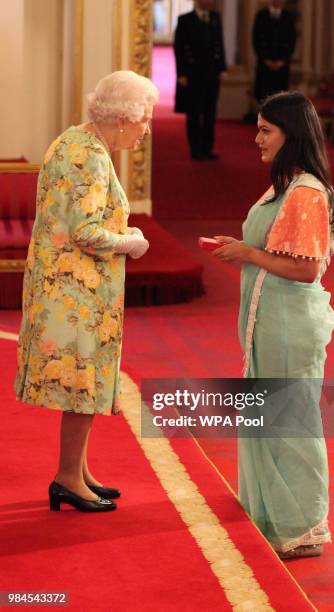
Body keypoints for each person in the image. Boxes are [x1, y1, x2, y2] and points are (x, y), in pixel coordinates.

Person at [14, 70, 159, 513]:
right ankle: (67, 478)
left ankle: (77, 470)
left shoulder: (76, 140)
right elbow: (86, 233)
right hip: (75, 295)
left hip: (64, 287)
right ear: (122, 118)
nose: (146, 129)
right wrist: (130, 241)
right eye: (144, 120)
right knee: (79, 382)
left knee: (82, 383)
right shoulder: (91, 156)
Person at [213, 91, 334, 558]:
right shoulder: (285, 185)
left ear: (293, 135)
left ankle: (302, 525)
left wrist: (247, 253)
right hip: (272, 319)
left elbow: (307, 269)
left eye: (267, 130)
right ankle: (271, 512)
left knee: (290, 420)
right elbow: (279, 252)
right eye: (259, 127)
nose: (257, 138)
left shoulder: (305, 192)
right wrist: (241, 245)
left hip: (289, 323)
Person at [174, 0, 226, 161]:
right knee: (194, 112)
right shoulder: (185, 20)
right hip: (192, 73)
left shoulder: (215, 17)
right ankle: (195, 149)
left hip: (211, 73)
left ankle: (207, 147)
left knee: (210, 111)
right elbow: (179, 48)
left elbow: (220, 44)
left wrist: (222, 68)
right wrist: (181, 73)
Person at [253, 0, 296, 101]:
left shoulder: (288, 17)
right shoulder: (261, 15)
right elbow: (256, 40)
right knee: (264, 99)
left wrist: (282, 61)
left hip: (282, 68)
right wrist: (266, 60)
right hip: (264, 68)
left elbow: (292, 41)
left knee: (281, 100)